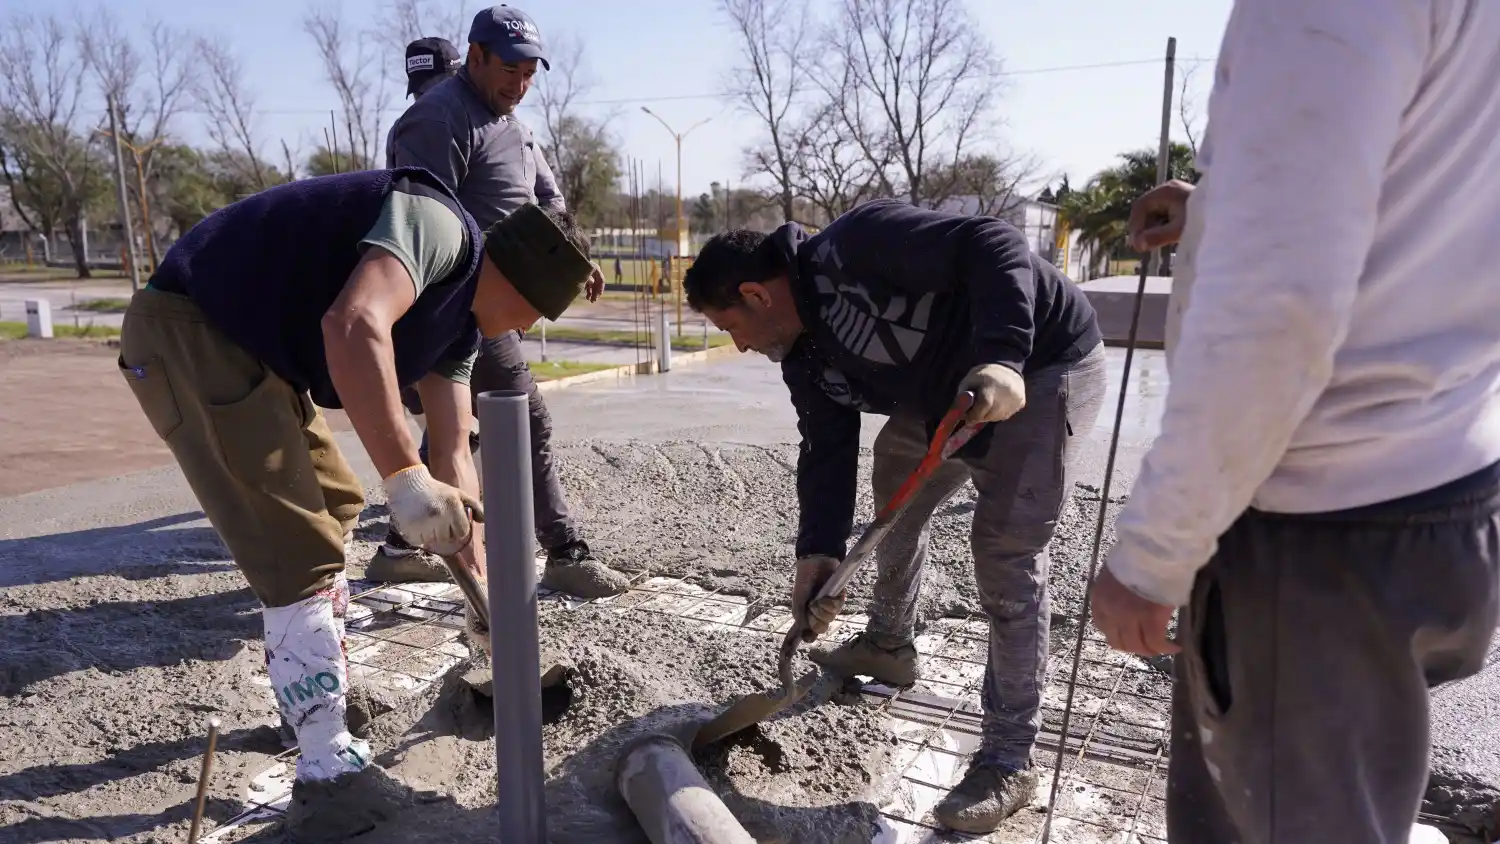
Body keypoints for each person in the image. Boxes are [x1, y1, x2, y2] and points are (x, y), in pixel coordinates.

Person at [1088, 2, 1500, 842]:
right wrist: (1221, 207)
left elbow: (1275, 319)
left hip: (1319, 532)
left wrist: (1151, 561)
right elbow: (1428, 191)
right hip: (1442, 484)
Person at [117, 167, 593, 841]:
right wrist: (403, 477)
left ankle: (314, 693)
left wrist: (475, 585)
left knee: (335, 506)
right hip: (194, 329)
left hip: (252, 355)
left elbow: (454, 458)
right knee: (297, 545)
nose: (529, 330)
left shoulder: (458, 329)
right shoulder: (438, 229)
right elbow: (354, 322)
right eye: (537, 315)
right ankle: (325, 765)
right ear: (521, 286)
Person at [683, 199, 1107, 833]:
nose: (740, 346)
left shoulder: (857, 246)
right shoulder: (804, 358)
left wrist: (1001, 357)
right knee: (895, 474)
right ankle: (890, 641)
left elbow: (994, 243)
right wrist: (818, 554)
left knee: (1005, 557)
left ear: (755, 294)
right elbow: (825, 449)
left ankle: (1008, 758)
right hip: (944, 398)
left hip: (1039, 368)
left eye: (730, 327)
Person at [380, 4, 626, 599]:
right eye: (509, 70)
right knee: (523, 418)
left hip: (503, 302)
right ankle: (564, 550)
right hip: (464, 304)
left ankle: (398, 545)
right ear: (475, 56)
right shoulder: (437, 121)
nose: (519, 84)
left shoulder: (514, 126)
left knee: (462, 430)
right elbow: (423, 226)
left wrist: (573, 259)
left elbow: (546, 200)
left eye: (529, 73)